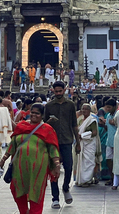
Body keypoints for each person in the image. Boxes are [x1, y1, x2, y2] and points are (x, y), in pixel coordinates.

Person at [0, 104, 60, 214]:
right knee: (16, 190)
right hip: (19, 168)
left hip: (38, 169)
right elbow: (12, 146)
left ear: (42, 115)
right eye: (32, 112)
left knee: (36, 192)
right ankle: (24, 211)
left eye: (37, 113)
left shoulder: (47, 129)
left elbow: (52, 149)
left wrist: (57, 165)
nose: (34, 115)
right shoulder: (21, 126)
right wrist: (2, 161)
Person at [43, 81, 82, 209]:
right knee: (54, 170)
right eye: (56, 91)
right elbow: (44, 124)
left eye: (60, 91)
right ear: (52, 91)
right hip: (52, 142)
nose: (58, 94)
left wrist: (78, 142)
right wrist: (50, 121)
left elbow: (74, 124)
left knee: (69, 167)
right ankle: (55, 198)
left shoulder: (70, 105)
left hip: (67, 140)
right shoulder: (49, 106)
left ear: (64, 90)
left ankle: (66, 188)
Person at [75, 104, 101, 186]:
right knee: (82, 162)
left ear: (89, 110)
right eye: (83, 109)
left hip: (89, 144)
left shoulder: (92, 120)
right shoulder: (81, 120)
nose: (84, 111)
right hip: (82, 143)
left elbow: (94, 133)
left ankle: (87, 180)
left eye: (86, 109)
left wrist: (82, 135)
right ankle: (81, 180)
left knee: (89, 162)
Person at [103, 98, 117, 185]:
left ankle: (116, 179)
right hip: (109, 141)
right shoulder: (108, 116)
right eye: (106, 107)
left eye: (109, 107)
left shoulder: (117, 115)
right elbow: (107, 127)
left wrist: (115, 123)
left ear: (114, 107)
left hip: (116, 141)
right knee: (108, 159)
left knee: (116, 161)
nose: (108, 109)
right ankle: (111, 177)